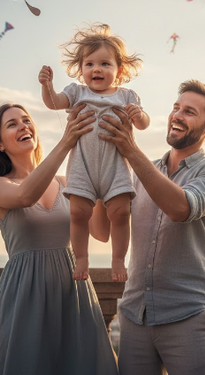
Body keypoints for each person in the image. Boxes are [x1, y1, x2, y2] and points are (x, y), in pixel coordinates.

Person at [0, 102, 119, 375]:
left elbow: (101, 233)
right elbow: (26, 197)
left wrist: (100, 176)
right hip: (26, 294)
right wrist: (67, 142)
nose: (23, 125)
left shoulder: (68, 183)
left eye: (26, 120)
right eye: (12, 124)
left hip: (74, 292)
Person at [96, 79, 205, 375]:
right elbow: (101, 230)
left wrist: (130, 149)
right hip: (134, 317)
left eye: (190, 112)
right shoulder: (140, 174)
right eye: (176, 108)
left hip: (190, 318)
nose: (177, 116)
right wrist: (91, 165)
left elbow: (180, 208)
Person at [39, 23, 150, 282]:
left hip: (115, 167)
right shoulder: (77, 93)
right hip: (83, 167)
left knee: (121, 213)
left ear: (118, 70)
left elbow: (143, 124)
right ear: (81, 70)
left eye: (105, 64)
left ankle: (118, 259)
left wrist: (139, 114)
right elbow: (53, 103)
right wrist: (47, 85)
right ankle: (82, 258)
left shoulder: (127, 96)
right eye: (89, 64)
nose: (96, 69)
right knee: (78, 213)